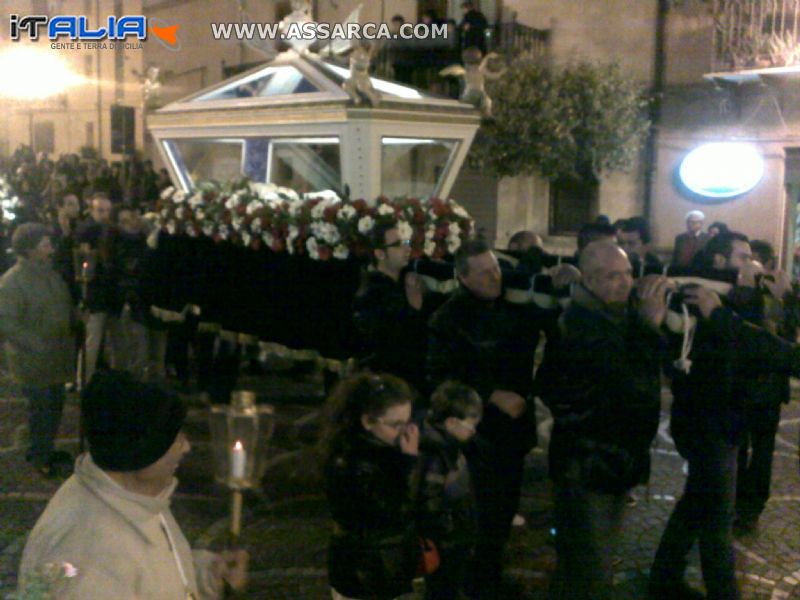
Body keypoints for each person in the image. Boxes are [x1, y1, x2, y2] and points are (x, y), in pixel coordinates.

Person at [650, 230, 800, 599]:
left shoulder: (734, 301)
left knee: (697, 504)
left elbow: (770, 348)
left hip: (728, 420)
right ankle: (721, 592)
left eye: (753, 256)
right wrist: (734, 304)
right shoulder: (697, 299)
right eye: (741, 257)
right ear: (718, 262)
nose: (753, 264)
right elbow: (739, 348)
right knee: (716, 516)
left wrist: (775, 299)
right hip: (706, 422)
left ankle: (663, 578)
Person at [18, 370, 248, 599]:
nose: (186, 447)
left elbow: (152, 571)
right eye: (174, 438)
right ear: (143, 451)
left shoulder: (130, 496)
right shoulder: (94, 560)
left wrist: (208, 576)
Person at [535, 241, 669, 599]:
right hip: (587, 470)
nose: (625, 283)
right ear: (591, 281)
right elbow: (630, 388)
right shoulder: (577, 327)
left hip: (613, 464)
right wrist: (649, 329)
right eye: (613, 276)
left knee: (587, 561)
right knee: (591, 568)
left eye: (628, 273)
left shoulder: (616, 316)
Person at [427, 239, 547, 598]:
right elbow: (440, 376)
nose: (494, 277)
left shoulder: (511, 300)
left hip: (513, 430)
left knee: (504, 510)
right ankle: (471, 584)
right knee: (477, 515)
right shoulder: (448, 318)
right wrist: (492, 393)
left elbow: (533, 267)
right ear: (463, 278)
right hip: (478, 436)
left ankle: (490, 576)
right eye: (483, 273)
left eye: (495, 268)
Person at [320, 373, 420, 600]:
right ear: (367, 421)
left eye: (408, 422)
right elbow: (392, 510)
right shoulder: (353, 463)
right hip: (365, 571)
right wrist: (408, 463)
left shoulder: (380, 449)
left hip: (378, 564)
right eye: (396, 425)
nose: (404, 432)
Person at [0, 224, 77, 477]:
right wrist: (37, 344)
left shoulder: (50, 274)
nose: (51, 249)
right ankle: (39, 454)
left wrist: (75, 320)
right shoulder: (13, 282)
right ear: (30, 249)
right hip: (33, 359)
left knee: (54, 406)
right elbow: (7, 322)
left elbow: (60, 304)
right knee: (41, 409)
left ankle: (46, 448)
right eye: (45, 245)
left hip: (55, 355)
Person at [416, 381, 482, 600]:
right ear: (452, 422)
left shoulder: (448, 447)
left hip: (454, 537)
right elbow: (431, 501)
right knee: (443, 589)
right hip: (447, 542)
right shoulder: (438, 455)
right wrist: (449, 533)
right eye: (471, 425)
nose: (473, 430)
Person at [352, 222, 430, 395]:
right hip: (392, 384)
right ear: (380, 253)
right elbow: (390, 346)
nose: (406, 248)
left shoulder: (405, 283)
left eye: (406, 243)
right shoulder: (372, 294)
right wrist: (414, 309)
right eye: (397, 245)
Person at [76, 192, 121, 386]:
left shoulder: (113, 232)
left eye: (107, 211)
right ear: (92, 210)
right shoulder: (88, 231)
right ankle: (84, 381)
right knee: (92, 341)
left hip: (110, 294)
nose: (104, 215)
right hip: (97, 294)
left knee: (107, 342)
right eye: (100, 210)